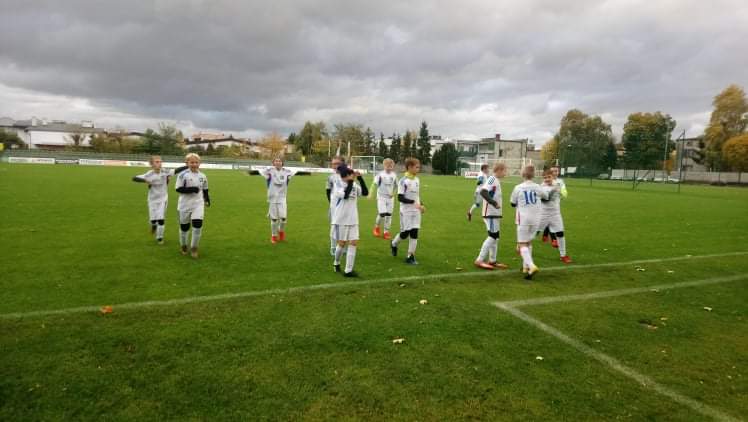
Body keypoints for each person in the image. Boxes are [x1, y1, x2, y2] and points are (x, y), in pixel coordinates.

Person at [131, 156, 187, 244]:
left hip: (163, 199)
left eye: (160, 161)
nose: (159, 163)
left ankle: (159, 238)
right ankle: (154, 225)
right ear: (151, 164)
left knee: (161, 219)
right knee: (153, 220)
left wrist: (187, 166)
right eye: (157, 162)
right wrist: (145, 181)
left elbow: (176, 171)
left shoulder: (165, 172)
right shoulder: (149, 174)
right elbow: (134, 178)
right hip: (152, 200)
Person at [510, 165, 548, 280]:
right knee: (529, 242)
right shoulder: (538, 187)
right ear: (534, 175)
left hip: (524, 218)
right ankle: (525, 267)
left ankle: (531, 266)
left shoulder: (518, 187)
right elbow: (546, 197)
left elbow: (512, 203)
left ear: (522, 174)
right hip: (536, 219)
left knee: (522, 244)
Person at [331, 165, 368, 277]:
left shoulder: (354, 185)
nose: (352, 177)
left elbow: (365, 193)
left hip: (353, 219)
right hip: (341, 219)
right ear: (345, 176)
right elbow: (346, 195)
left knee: (353, 242)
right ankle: (336, 262)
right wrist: (351, 182)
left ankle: (348, 270)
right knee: (341, 243)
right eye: (350, 175)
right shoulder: (338, 185)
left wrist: (360, 178)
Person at [175, 153, 210, 258]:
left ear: (199, 163)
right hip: (184, 205)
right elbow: (178, 189)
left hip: (198, 204)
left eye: (196, 162)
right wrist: (192, 189)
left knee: (197, 226)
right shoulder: (182, 175)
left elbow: (205, 189)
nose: (194, 164)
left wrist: (207, 199)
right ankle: (184, 245)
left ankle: (194, 248)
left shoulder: (203, 176)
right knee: (184, 228)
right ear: (187, 163)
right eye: (192, 162)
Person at [391, 157, 425, 265]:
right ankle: (394, 244)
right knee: (405, 233)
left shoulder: (417, 179)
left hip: (416, 211)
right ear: (409, 167)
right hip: (406, 211)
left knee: (414, 232)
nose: (418, 169)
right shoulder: (403, 181)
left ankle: (410, 256)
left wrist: (421, 205)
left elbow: (417, 195)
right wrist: (413, 202)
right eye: (417, 167)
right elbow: (400, 198)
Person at [474, 162, 509, 270]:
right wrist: (493, 203)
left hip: (494, 214)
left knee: (495, 237)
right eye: (505, 170)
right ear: (499, 170)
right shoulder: (492, 179)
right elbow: (483, 192)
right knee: (493, 236)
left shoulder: (496, 180)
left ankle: (492, 260)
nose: (506, 173)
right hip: (490, 213)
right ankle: (479, 260)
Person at [539, 169, 572, 263]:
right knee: (534, 233)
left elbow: (564, 193)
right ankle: (521, 246)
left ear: (552, 177)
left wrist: (561, 192)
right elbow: (544, 200)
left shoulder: (558, 184)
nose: (547, 179)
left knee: (560, 233)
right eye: (545, 178)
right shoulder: (541, 187)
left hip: (555, 214)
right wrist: (554, 190)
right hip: (543, 214)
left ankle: (563, 255)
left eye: (549, 177)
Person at [261, 157, 294, 244]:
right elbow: (263, 172)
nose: (278, 162)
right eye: (276, 161)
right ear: (273, 163)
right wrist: (269, 169)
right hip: (272, 198)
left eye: (279, 161)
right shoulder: (270, 172)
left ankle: (281, 231)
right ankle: (274, 236)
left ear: (282, 163)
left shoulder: (287, 172)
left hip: (282, 198)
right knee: (274, 219)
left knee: (283, 218)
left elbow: (294, 173)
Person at [371, 158, 397, 239]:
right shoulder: (380, 175)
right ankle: (376, 227)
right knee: (382, 214)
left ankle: (386, 232)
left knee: (389, 215)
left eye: (391, 166)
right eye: (387, 166)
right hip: (381, 197)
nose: (389, 168)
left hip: (390, 198)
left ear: (392, 166)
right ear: (384, 166)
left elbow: (396, 186)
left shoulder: (394, 175)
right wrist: (371, 192)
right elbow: (374, 184)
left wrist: (393, 193)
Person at [542, 166, 568, 245]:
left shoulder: (560, 181)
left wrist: (562, 192)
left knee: (551, 222)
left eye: (556, 171)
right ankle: (553, 239)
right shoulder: (545, 182)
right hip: (546, 207)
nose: (555, 173)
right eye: (553, 171)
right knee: (549, 222)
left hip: (555, 206)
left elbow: (565, 192)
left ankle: (545, 234)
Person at [326, 156, 345, 256]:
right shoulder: (331, 177)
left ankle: (342, 247)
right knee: (334, 226)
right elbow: (328, 191)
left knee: (344, 226)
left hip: (346, 205)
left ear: (343, 164)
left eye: (338, 163)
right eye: (334, 164)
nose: (335, 166)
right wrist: (332, 204)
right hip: (334, 205)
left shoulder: (348, 175)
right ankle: (333, 247)